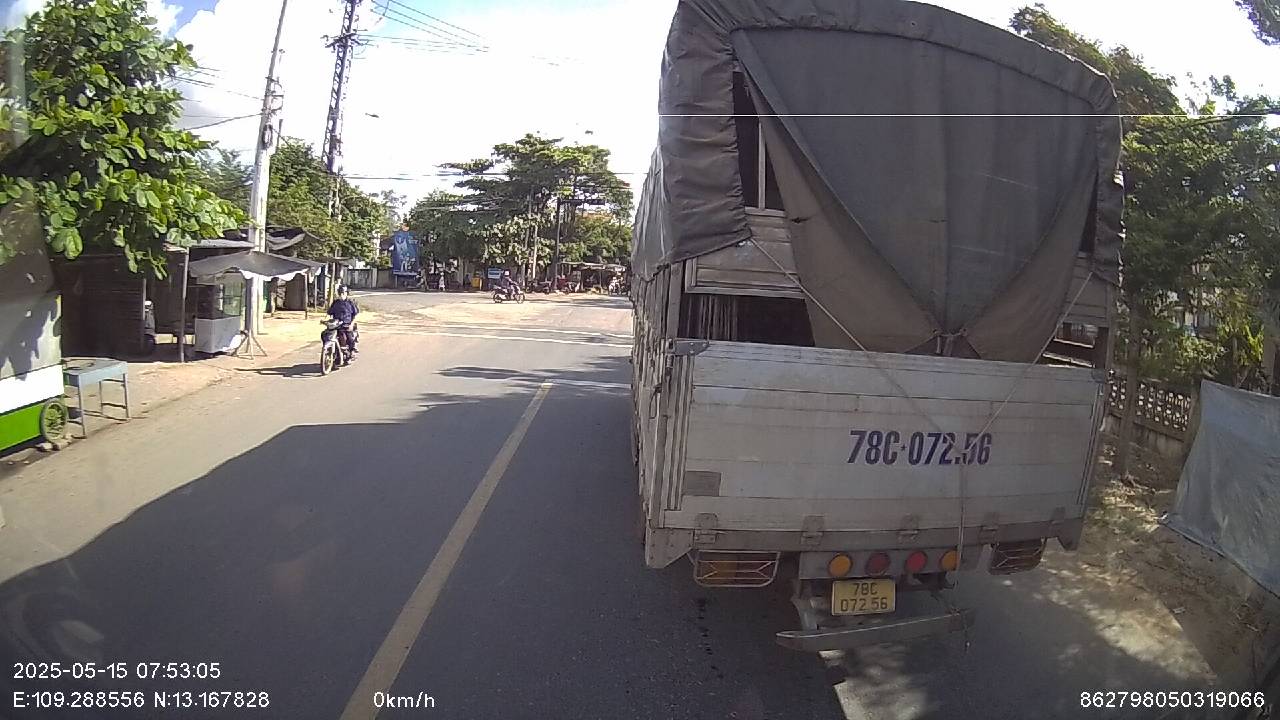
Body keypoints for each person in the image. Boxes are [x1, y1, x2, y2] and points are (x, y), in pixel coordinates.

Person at [327, 285, 359, 358]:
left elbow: (355, 315)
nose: (342, 294)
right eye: (340, 293)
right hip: (336, 325)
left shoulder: (350, 303)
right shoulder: (335, 303)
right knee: (325, 334)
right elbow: (330, 312)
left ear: (346, 293)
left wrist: (351, 324)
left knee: (348, 337)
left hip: (347, 325)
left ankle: (351, 352)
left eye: (343, 293)